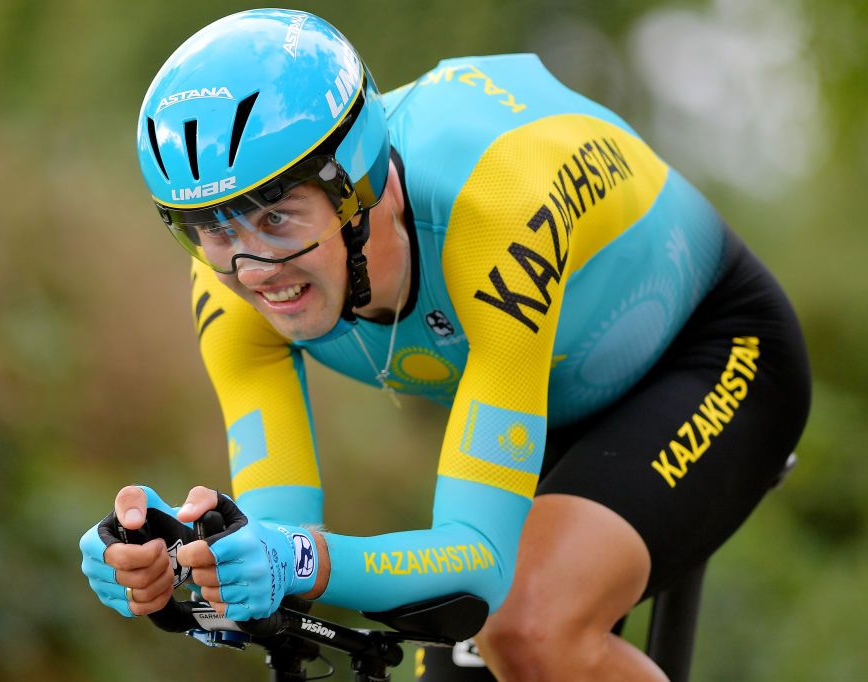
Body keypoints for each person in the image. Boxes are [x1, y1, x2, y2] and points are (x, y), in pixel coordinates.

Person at [79, 9, 811, 681]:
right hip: (537, 382)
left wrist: (300, 559)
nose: (252, 270)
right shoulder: (227, 283)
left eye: (277, 219)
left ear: (357, 185)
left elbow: (477, 568)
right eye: (209, 228)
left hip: (709, 350)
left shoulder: (493, 217)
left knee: (528, 623)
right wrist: (188, 568)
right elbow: (280, 540)